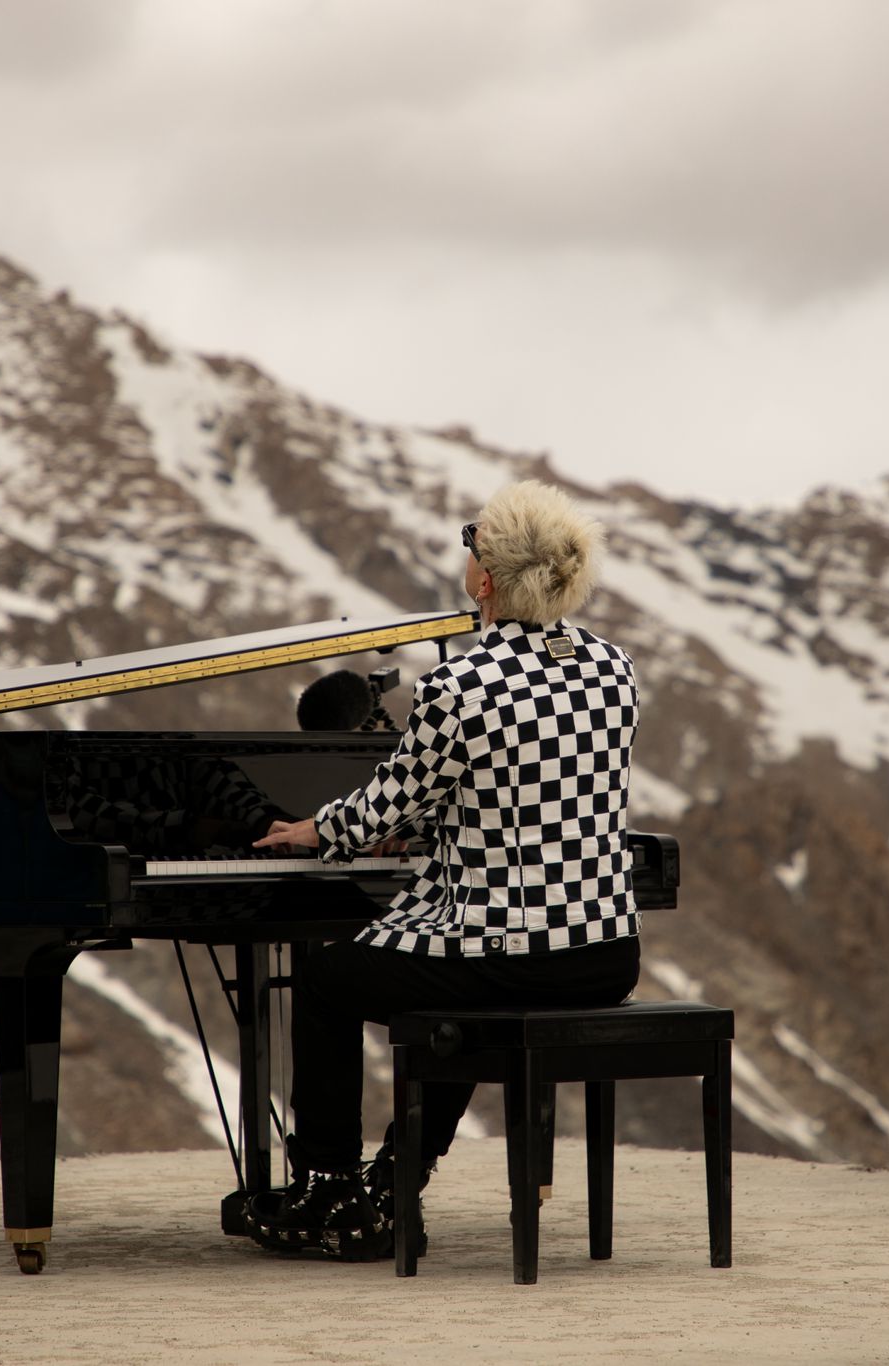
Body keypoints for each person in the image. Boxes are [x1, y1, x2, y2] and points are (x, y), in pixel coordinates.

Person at [246, 479, 642, 1260]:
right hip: (602, 956)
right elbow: (528, 783)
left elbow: (380, 806)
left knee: (330, 980)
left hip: (512, 956)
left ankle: (332, 1193)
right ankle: (397, 1181)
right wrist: (432, 828)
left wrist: (310, 832)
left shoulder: (459, 685)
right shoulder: (614, 670)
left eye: (473, 542)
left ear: (486, 577)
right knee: (447, 971)